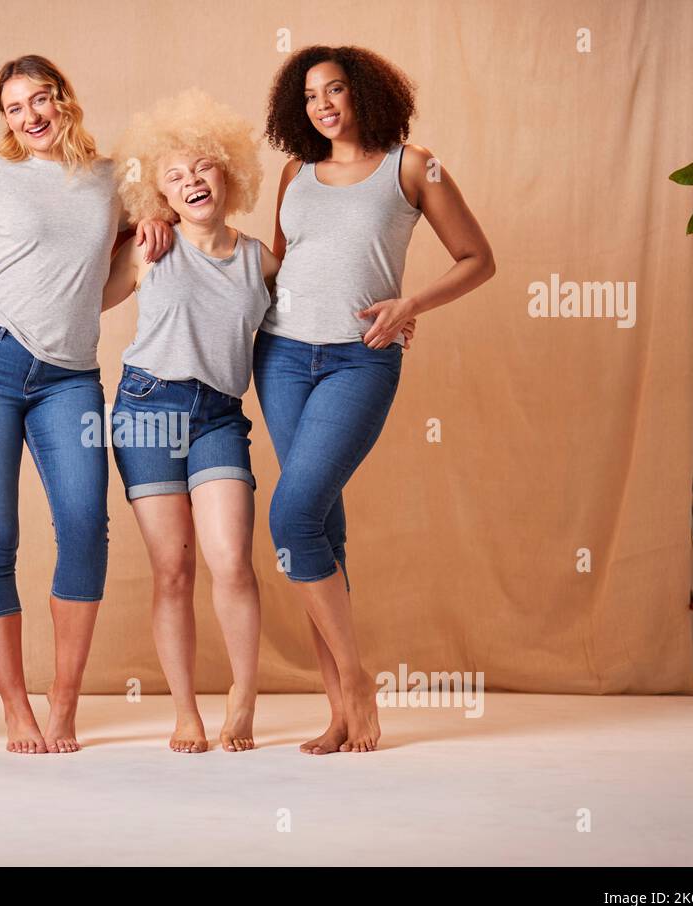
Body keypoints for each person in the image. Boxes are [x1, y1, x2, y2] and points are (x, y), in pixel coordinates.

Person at [256, 45, 495, 754]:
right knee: (321, 529)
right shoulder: (295, 172)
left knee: (293, 515)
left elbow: (479, 258)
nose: (323, 105)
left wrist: (409, 302)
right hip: (280, 356)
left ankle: (357, 681)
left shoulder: (414, 166)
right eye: (309, 96)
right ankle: (340, 711)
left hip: (358, 362)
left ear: (364, 92)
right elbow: (276, 265)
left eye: (335, 90)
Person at [0, 55, 172, 754]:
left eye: (41, 100)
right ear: (4, 118)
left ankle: (63, 702)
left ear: (65, 100)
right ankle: (16, 707)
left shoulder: (111, 179)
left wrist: (151, 231)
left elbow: (131, 249)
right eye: (15, 107)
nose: (31, 116)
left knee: (84, 525)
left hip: (68, 375)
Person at [103, 89, 277, 752]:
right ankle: (185, 712)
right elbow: (80, 296)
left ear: (228, 173)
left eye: (201, 167)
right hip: (146, 409)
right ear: (161, 196)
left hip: (218, 416)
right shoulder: (152, 247)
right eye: (173, 177)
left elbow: (312, 327)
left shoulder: (261, 262)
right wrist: (128, 229)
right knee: (172, 569)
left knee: (231, 560)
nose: (191, 181)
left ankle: (243, 696)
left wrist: (389, 324)